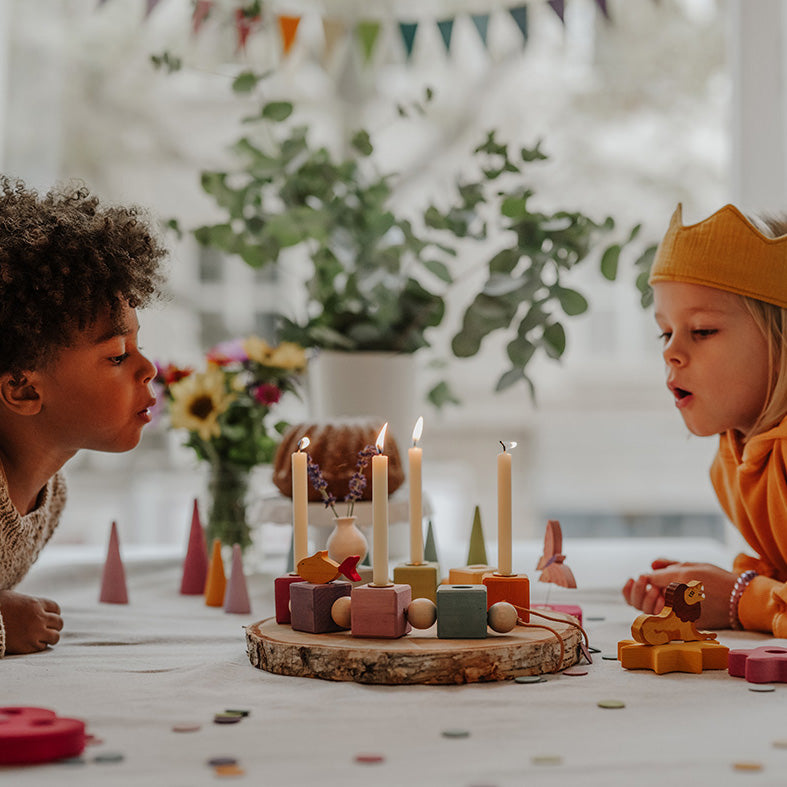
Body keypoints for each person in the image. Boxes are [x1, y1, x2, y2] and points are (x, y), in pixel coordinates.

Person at [0, 177, 166, 656]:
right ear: (24, 388)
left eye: (137, 346)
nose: (148, 368)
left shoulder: (51, 494)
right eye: (117, 356)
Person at [622, 203, 787, 635]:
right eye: (665, 331)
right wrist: (710, 588)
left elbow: (759, 599)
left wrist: (738, 598)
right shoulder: (732, 461)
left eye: (702, 331)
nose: (670, 352)